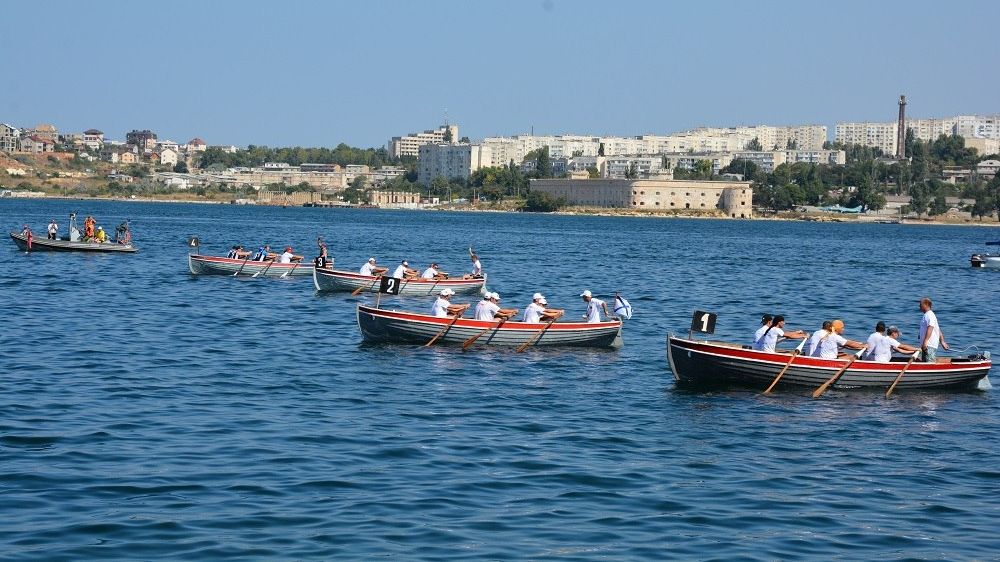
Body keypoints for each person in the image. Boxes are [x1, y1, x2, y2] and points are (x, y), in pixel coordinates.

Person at [918, 297, 948, 362]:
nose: (919, 306)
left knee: (929, 363)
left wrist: (925, 341)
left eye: (920, 305)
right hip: (926, 345)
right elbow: (938, 329)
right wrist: (942, 342)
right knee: (925, 363)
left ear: (926, 304)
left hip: (928, 345)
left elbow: (930, 327)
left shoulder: (929, 315)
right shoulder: (928, 315)